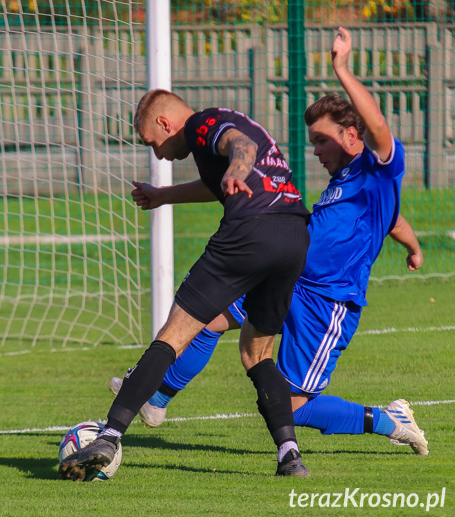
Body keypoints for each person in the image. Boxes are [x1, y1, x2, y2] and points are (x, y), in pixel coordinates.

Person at [110, 27, 427, 455]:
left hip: (326, 301)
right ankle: (158, 398)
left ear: (353, 135)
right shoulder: (348, 183)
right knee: (207, 317)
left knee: (294, 405)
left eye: (322, 140)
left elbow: (379, 125)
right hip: (289, 273)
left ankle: (389, 420)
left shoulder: (382, 166)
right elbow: (393, 219)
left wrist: (341, 68)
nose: (315, 149)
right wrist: (414, 247)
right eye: (313, 140)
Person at [59, 76, 312, 479]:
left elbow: (240, 148)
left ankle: (108, 436)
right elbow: (216, 182)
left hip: (250, 231)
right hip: (295, 235)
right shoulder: (217, 129)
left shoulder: (202, 124)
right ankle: (289, 455)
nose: (157, 155)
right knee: (257, 352)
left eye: (151, 143)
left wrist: (238, 170)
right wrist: (163, 196)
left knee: (173, 336)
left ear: (164, 123)